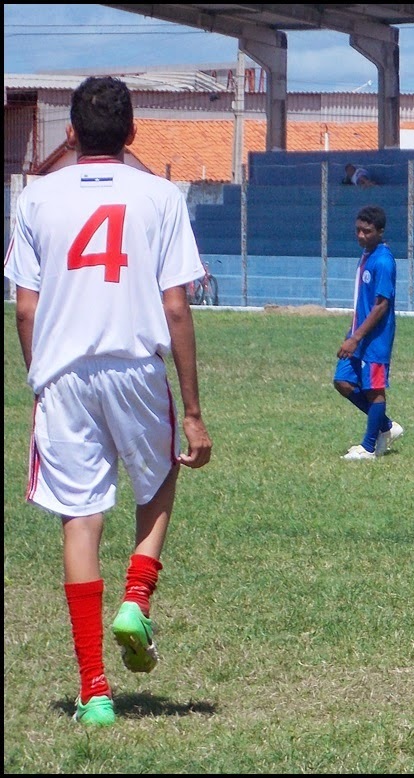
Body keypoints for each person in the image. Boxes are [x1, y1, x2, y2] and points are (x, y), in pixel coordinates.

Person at [3, 76, 213, 727]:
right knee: (161, 478)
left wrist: (40, 380)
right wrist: (195, 409)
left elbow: (26, 306)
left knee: (80, 517)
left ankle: (94, 691)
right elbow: (176, 306)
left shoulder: (35, 198)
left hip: (64, 378)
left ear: (69, 132)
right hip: (135, 365)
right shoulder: (159, 196)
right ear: (131, 133)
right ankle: (136, 599)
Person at [334, 205, 404, 460]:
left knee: (374, 390)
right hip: (359, 334)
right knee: (342, 382)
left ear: (380, 231)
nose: (361, 236)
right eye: (358, 230)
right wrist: (351, 332)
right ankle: (385, 426)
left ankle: (368, 447)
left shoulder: (383, 261)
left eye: (367, 231)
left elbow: (381, 305)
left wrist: (356, 338)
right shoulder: (367, 254)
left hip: (374, 339)